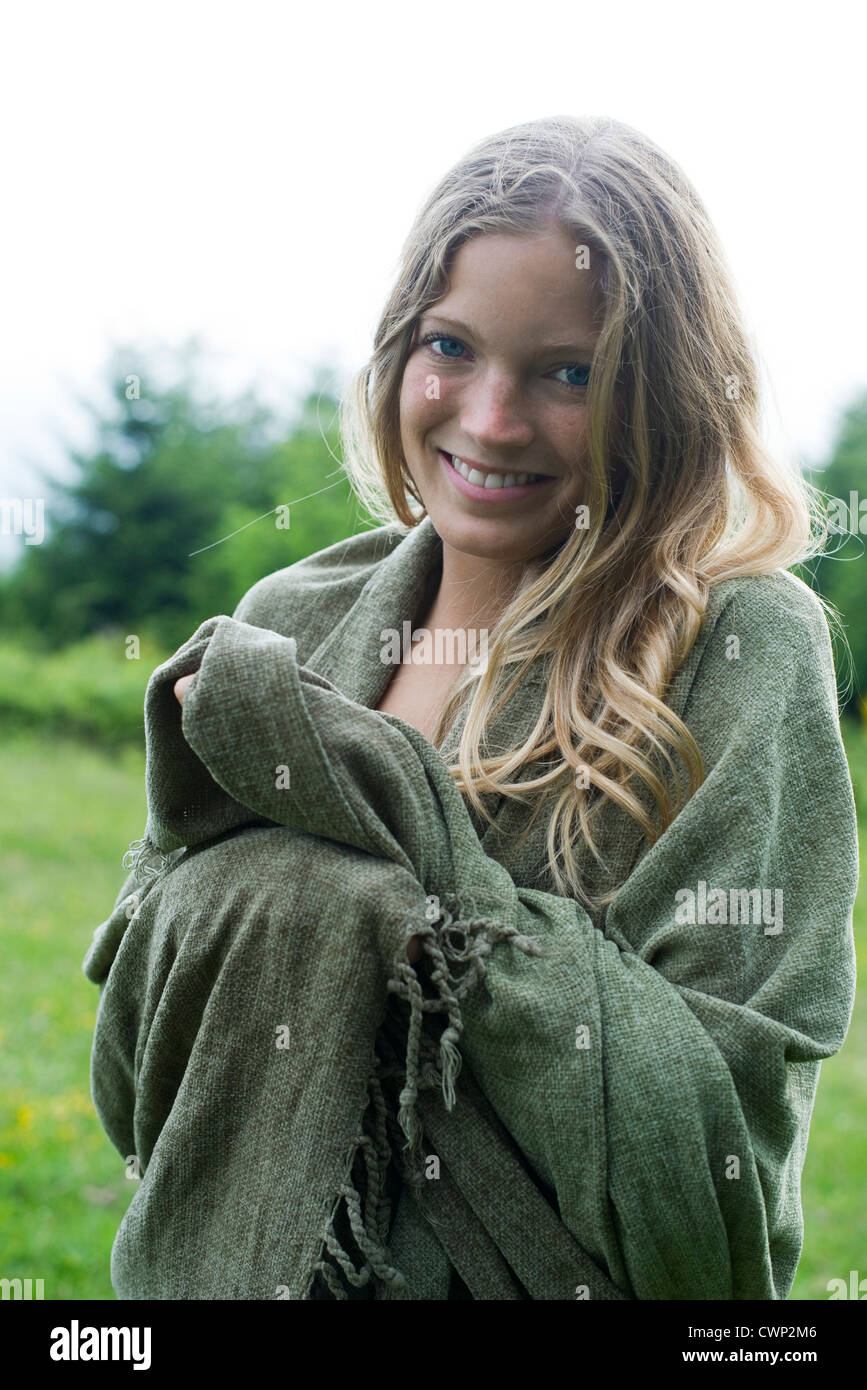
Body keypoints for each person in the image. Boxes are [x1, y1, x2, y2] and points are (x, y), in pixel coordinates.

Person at [85, 115, 858, 1301]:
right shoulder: (294, 618)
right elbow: (147, 1068)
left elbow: (714, 1174)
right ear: (398, 351)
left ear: (663, 390)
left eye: (568, 372)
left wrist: (405, 894)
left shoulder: (736, 645)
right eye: (452, 347)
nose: (490, 420)